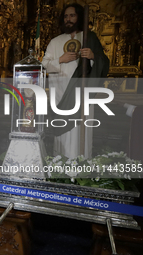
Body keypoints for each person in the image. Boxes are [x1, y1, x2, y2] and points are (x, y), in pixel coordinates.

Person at [42, 3, 109, 159]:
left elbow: (103, 62)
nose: (68, 19)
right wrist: (60, 59)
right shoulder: (55, 42)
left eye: (72, 15)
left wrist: (92, 56)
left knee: (80, 133)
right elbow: (43, 66)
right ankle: (60, 170)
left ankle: (80, 172)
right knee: (62, 137)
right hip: (60, 96)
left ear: (79, 17)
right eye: (66, 16)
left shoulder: (88, 38)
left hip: (81, 96)